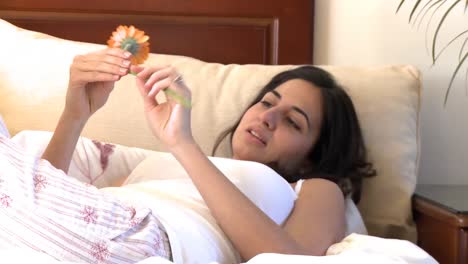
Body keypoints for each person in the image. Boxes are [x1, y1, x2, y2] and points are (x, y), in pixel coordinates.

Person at [0, 48, 375, 263]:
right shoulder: (159, 162)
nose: (268, 117)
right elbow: (41, 193)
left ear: (314, 155)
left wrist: (183, 143)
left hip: (143, 241)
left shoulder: (313, 188)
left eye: (294, 122)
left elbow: (289, 260)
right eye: (266, 102)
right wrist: (76, 113)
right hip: (69, 226)